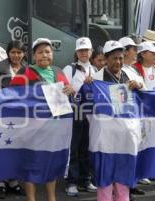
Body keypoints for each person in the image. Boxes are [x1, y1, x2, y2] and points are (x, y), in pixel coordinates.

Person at [10, 38, 74, 201]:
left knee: (50, 162)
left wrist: (70, 90)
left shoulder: (59, 71)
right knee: (31, 163)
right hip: (32, 127)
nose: (44, 55)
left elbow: (68, 96)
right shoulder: (24, 72)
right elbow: (12, 95)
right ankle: (31, 198)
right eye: (40, 52)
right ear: (34, 55)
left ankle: (51, 197)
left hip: (54, 127)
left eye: (47, 51)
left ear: (52, 54)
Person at [92, 40, 143, 201]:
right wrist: (85, 86)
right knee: (105, 178)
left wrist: (140, 85)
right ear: (106, 59)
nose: (118, 62)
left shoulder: (130, 74)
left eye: (121, 58)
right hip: (105, 138)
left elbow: (145, 92)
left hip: (125, 138)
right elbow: (85, 104)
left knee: (122, 178)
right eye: (114, 58)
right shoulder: (96, 79)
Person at [0, 40, 27, 199]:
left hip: (21, 115)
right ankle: (0, 183)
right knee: (1, 145)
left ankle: (13, 182)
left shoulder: (28, 68)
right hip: (1, 113)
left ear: (24, 54)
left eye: (19, 52)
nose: (16, 55)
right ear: (8, 53)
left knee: (16, 147)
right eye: (13, 52)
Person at [62, 37, 97, 197]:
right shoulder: (69, 69)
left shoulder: (95, 70)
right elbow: (63, 89)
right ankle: (71, 182)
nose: (84, 53)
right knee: (74, 148)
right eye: (81, 50)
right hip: (75, 113)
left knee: (86, 147)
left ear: (91, 52)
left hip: (91, 114)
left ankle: (85, 179)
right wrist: (70, 89)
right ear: (76, 52)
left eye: (86, 50)